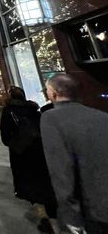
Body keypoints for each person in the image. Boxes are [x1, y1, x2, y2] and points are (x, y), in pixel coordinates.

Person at [41, 74, 108, 234]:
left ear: (53, 93)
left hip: (94, 210)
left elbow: (62, 171)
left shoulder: (51, 118)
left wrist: (71, 218)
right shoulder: (103, 116)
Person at [0, 86, 57, 232]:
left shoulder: (8, 112)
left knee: (30, 185)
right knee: (44, 182)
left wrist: (15, 142)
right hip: (39, 152)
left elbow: (5, 137)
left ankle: (43, 217)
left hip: (21, 153)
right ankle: (53, 217)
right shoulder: (34, 110)